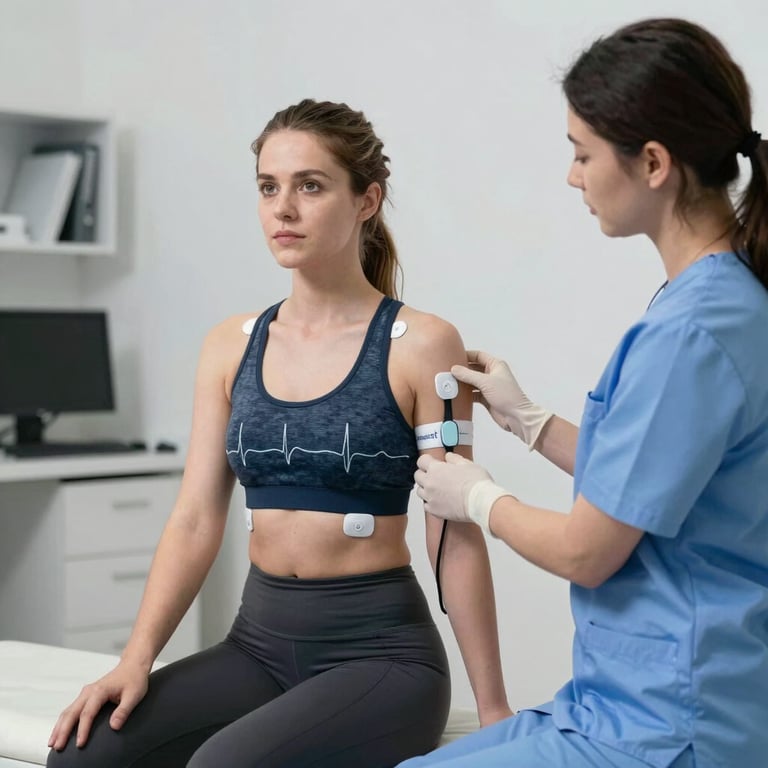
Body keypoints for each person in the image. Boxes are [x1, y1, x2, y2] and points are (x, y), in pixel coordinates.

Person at [46, 99, 512, 768]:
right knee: (81, 757)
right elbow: (195, 518)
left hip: (380, 657)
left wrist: (494, 711)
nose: (283, 209)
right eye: (269, 187)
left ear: (367, 201)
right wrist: (135, 660)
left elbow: (454, 533)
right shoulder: (230, 345)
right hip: (256, 646)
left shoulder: (421, 343)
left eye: (310, 186)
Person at [400, 17, 768, 768]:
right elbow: (654, 478)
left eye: (582, 153)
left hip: (672, 723)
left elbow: (588, 551)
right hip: (633, 696)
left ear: (654, 163)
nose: (573, 176)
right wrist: (531, 422)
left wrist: (480, 499)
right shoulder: (727, 298)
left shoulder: (691, 333)